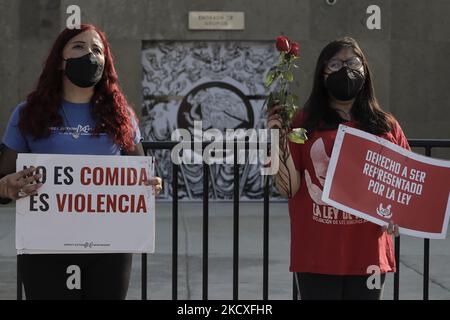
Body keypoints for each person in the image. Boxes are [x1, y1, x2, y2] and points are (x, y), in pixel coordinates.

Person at [0, 24, 162, 300]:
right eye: (79, 46)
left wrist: (151, 185)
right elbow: (2, 179)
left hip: (109, 247)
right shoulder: (28, 113)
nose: (90, 54)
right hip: (44, 245)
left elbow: (141, 173)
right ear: (60, 61)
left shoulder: (121, 115)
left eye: (97, 50)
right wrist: (6, 187)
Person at [268, 37, 408, 300]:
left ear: (365, 71)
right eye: (335, 63)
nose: (345, 69)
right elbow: (288, 187)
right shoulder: (302, 123)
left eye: (353, 62)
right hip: (317, 254)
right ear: (322, 74)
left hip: (369, 255)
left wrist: (398, 215)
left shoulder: (387, 126)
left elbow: (403, 187)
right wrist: (278, 138)